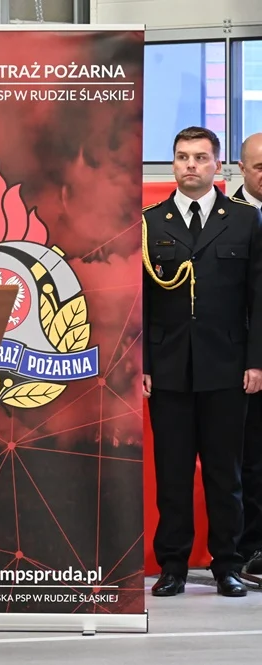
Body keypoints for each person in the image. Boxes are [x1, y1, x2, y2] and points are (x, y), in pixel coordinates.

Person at [142, 126, 262, 599]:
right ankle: (172, 566)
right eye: (182, 157)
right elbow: (140, 303)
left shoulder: (244, 221)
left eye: (199, 157)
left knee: (224, 474)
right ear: (173, 164)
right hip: (168, 367)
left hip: (227, 366)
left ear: (218, 165)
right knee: (172, 472)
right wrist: (143, 362)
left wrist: (256, 362)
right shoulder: (151, 222)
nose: (190, 165)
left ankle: (226, 565)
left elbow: (257, 299)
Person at [234, 132, 262, 575]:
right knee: (251, 460)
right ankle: (252, 548)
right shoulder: (228, 217)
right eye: (260, 167)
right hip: (243, 360)